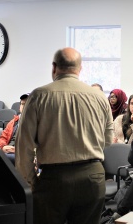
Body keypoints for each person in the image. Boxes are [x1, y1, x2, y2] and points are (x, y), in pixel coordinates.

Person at [15, 47, 113, 224]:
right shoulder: (99, 97)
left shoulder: (38, 96)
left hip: (53, 179)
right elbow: (107, 141)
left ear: (54, 67)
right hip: (92, 177)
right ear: (80, 68)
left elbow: (24, 146)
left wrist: (31, 183)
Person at [0, 93, 29, 163]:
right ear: (19, 107)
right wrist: (3, 147)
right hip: (9, 152)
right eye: (23, 104)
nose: (24, 106)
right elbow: (2, 138)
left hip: (23, 155)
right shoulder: (13, 122)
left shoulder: (38, 123)